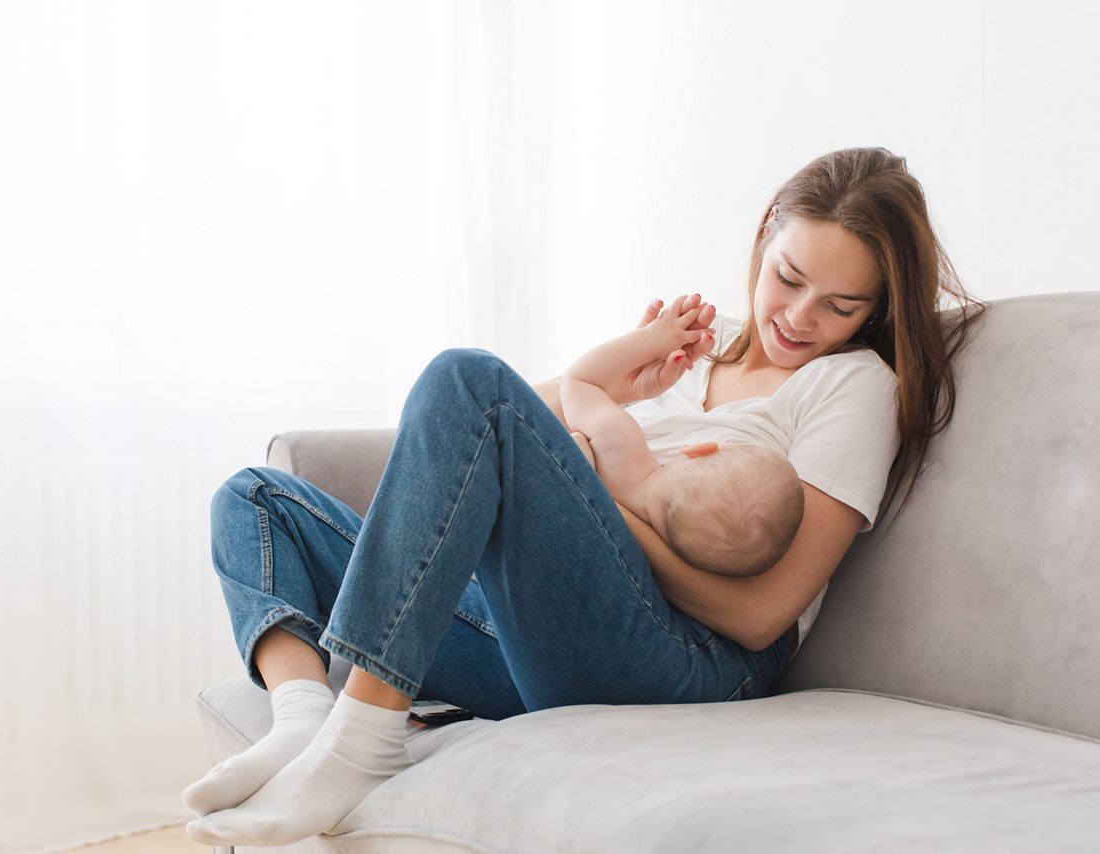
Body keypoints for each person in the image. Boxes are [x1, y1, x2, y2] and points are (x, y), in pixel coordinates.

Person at [183, 147, 984, 847]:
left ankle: (362, 741)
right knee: (255, 501)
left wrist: (609, 493)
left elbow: (761, 615)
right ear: (768, 231)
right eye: (789, 278)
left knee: (468, 374)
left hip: (687, 658)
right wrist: (616, 371)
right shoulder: (691, 350)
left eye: (841, 306)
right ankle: (304, 721)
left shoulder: (852, 386)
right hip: (545, 628)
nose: (800, 318)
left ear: (877, 310)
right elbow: (471, 433)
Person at [562, 295, 804, 578]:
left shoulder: (622, 446)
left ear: (699, 449)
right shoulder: (648, 555)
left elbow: (579, 381)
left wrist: (649, 340)